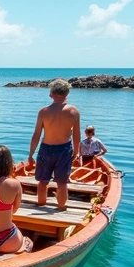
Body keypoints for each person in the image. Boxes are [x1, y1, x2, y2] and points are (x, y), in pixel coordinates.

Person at [28, 78, 81, 210]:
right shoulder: (73, 111)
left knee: (42, 181)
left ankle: (41, 204)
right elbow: (76, 135)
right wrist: (77, 152)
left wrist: (31, 154)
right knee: (62, 183)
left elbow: (36, 135)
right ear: (66, 94)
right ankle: (61, 207)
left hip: (46, 148)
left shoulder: (44, 112)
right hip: (64, 149)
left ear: (52, 94)